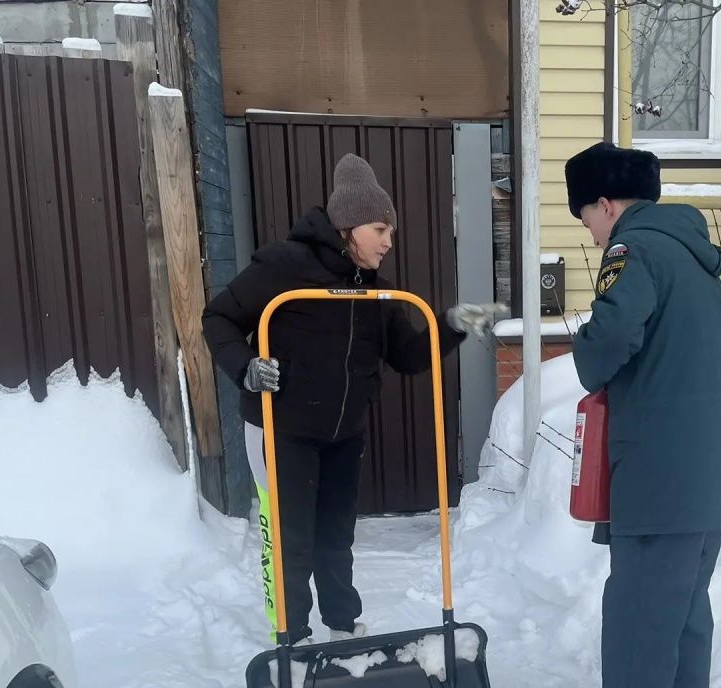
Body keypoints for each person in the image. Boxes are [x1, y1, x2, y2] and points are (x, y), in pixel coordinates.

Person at [202, 153, 502, 644]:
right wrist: (246, 369)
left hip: (344, 432)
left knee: (336, 537)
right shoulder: (282, 267)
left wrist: (450, 325)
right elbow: (218, 318)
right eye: (381, 229)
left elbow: (406, 356)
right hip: (281, 428)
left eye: (391, 231)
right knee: (291, 537)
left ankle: (342, 626)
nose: (388, 242)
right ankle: (291, 635)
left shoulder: (375, 293)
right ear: (347, 225)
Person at [562, 142, 721, 688]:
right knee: (686, 599)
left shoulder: (635, 251)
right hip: (707, 463)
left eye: (586, 217)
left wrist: (586, 345)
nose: (590, 232)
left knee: (639, 607)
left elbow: (607, 343)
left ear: (607, 204)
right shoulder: (695, 257)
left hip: (659, 466)